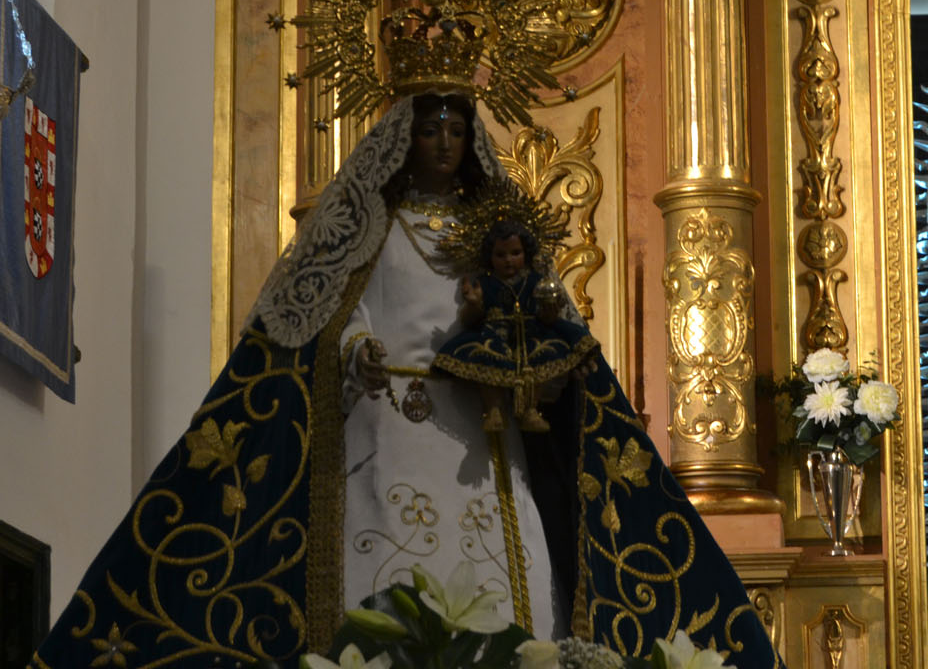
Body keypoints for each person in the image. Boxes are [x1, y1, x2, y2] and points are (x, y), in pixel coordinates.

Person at [29, 92, 779, 668]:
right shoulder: (371, 225)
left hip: (482, 428)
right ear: (401, 139)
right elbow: (337, 311)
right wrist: (356, 349)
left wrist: (537, 358)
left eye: (456, 129)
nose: (444, 143)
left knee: (507, 575)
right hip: (392, 417)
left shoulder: (496, 235)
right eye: (429, 130)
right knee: (388, 571)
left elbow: (534, 316)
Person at [434, 219, 599, 434]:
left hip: (532, 332)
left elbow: (546, 316)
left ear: (526, 253)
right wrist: (474, 304)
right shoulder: (485, 282)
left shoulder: (535, 280)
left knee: (543, 354)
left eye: (515, 253)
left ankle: (531, 409)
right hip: (494, 333)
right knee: (485, 355)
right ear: (489, 257)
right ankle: (493, 409)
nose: (508, 260)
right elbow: (469, 320)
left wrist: (549, 309)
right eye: (500, 255)